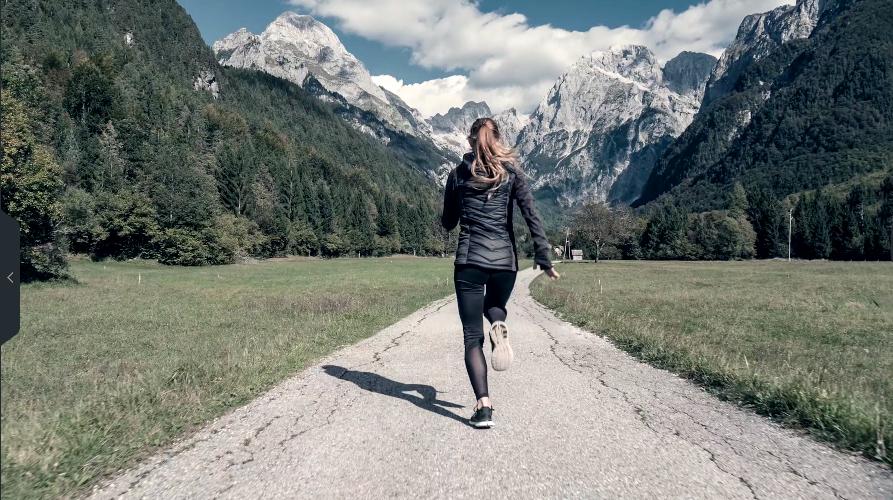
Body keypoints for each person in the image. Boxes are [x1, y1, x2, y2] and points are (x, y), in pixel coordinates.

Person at [441, 117, 560, 429]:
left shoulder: (457, 175)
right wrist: (544, 256)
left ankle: (483, 405)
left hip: (469, 261)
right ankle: (498, 324)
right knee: (495, 305)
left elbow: (448, 222)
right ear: (498, 139)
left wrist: (454, 201)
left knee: (471, 337)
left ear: (469, 142)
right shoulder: (513, 174)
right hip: (505, 262)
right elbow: (531, 214)